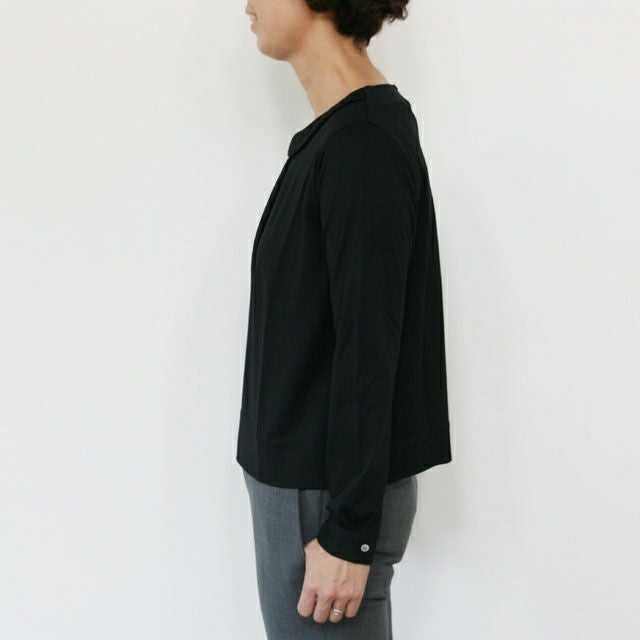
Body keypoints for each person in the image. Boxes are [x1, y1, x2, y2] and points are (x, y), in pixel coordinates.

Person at [237, 1, 452, 637]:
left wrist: (349, 532)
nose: (247, 3)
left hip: (324, 505)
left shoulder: (362, 145)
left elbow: (370, 344)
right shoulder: (339, 137)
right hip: (309, 494)